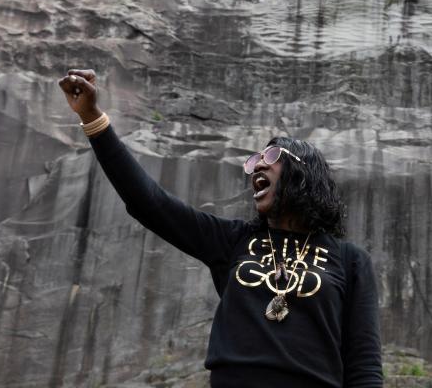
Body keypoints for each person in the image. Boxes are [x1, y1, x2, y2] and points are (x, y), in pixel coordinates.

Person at [58, 69, 383, 388]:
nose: (258, 164)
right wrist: (92, 117)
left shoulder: (349, 260)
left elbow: (364, 365)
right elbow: (149, 202)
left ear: (304, 172)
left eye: (271, 155)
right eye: (254, 160)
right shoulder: (233, 240)